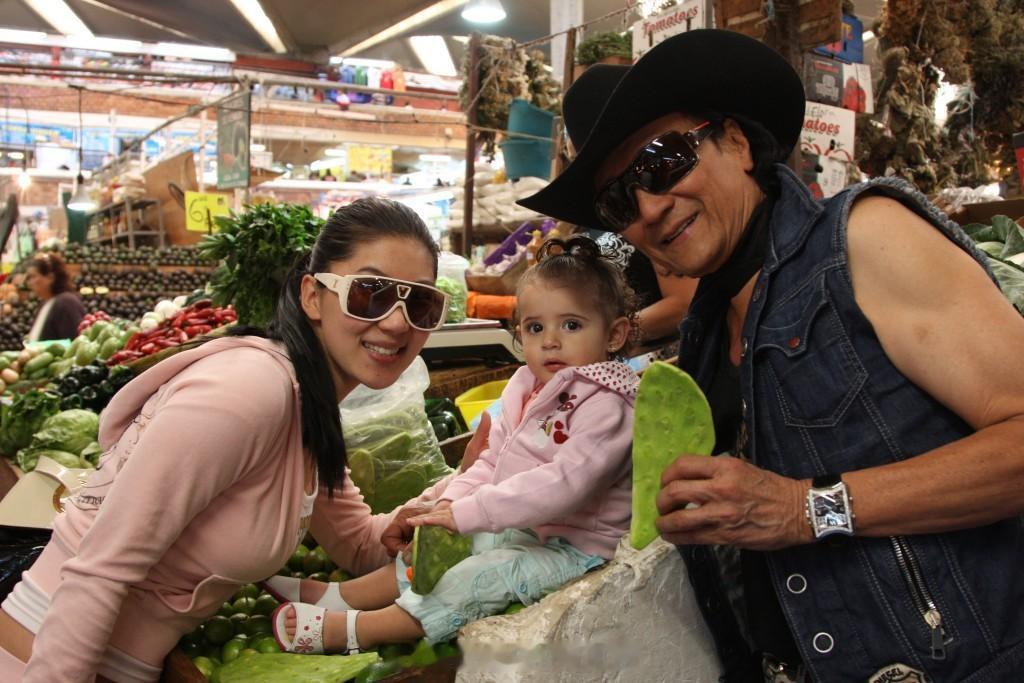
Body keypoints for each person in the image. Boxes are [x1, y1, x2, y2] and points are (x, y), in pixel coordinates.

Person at [518, 29, 1024, 683]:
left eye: (663, 161)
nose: (650, 206)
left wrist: (806, 508)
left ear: (734, 141)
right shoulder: (704, 333)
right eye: (619, 200)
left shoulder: (864, 238)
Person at [0, 197, 455, 682]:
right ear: (312, 295)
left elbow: (358, 544)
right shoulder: (250, 391)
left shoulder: (309, 409)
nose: (397, 323)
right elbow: (99, 568)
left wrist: (465, 487)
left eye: (420, 304)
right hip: (43, 656)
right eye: (369, 293)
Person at [272, 235, 639, 654]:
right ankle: (343, 596)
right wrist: (446, 507)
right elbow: (490, 463)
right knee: (443, 546)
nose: (550, 341)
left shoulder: (608, 405)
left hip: (580, 550)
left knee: (477, 577)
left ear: (614, 334)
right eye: (535, 327)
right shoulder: (527, 386)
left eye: (571, 325)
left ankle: (359, 631)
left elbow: (563, 484)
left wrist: (469, 512)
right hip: (530, 528)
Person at [24, 252, 85, 342]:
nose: (29, 283)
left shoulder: (66, 303)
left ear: (50, 277)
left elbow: (75, 342)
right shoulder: (46, 304)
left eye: (33, 277)